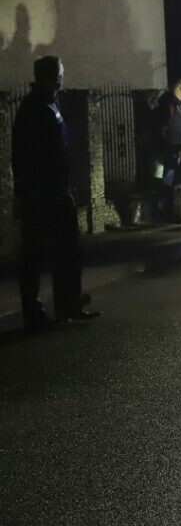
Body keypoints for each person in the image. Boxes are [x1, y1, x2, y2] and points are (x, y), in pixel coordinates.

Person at [12, 56, 99, 328]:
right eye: (61, 73)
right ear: (53, 76)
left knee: (68, 249)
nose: (63, 77)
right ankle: (33, 312)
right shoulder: (34, 107)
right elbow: (28, 154)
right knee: (35, 254)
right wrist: (34, 189)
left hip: (58, 190)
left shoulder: (51, 103)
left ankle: (69, 302)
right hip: (41, 194)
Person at [152, 79, 181, 221]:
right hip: (170, 151)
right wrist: (172, 147)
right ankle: (166, 213)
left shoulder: (172, 104)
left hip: (172, 149)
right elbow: (165, 128)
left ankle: (166, 212)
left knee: (168, 183)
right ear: (180, 89)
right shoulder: (171, 105)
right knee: (167, 183)